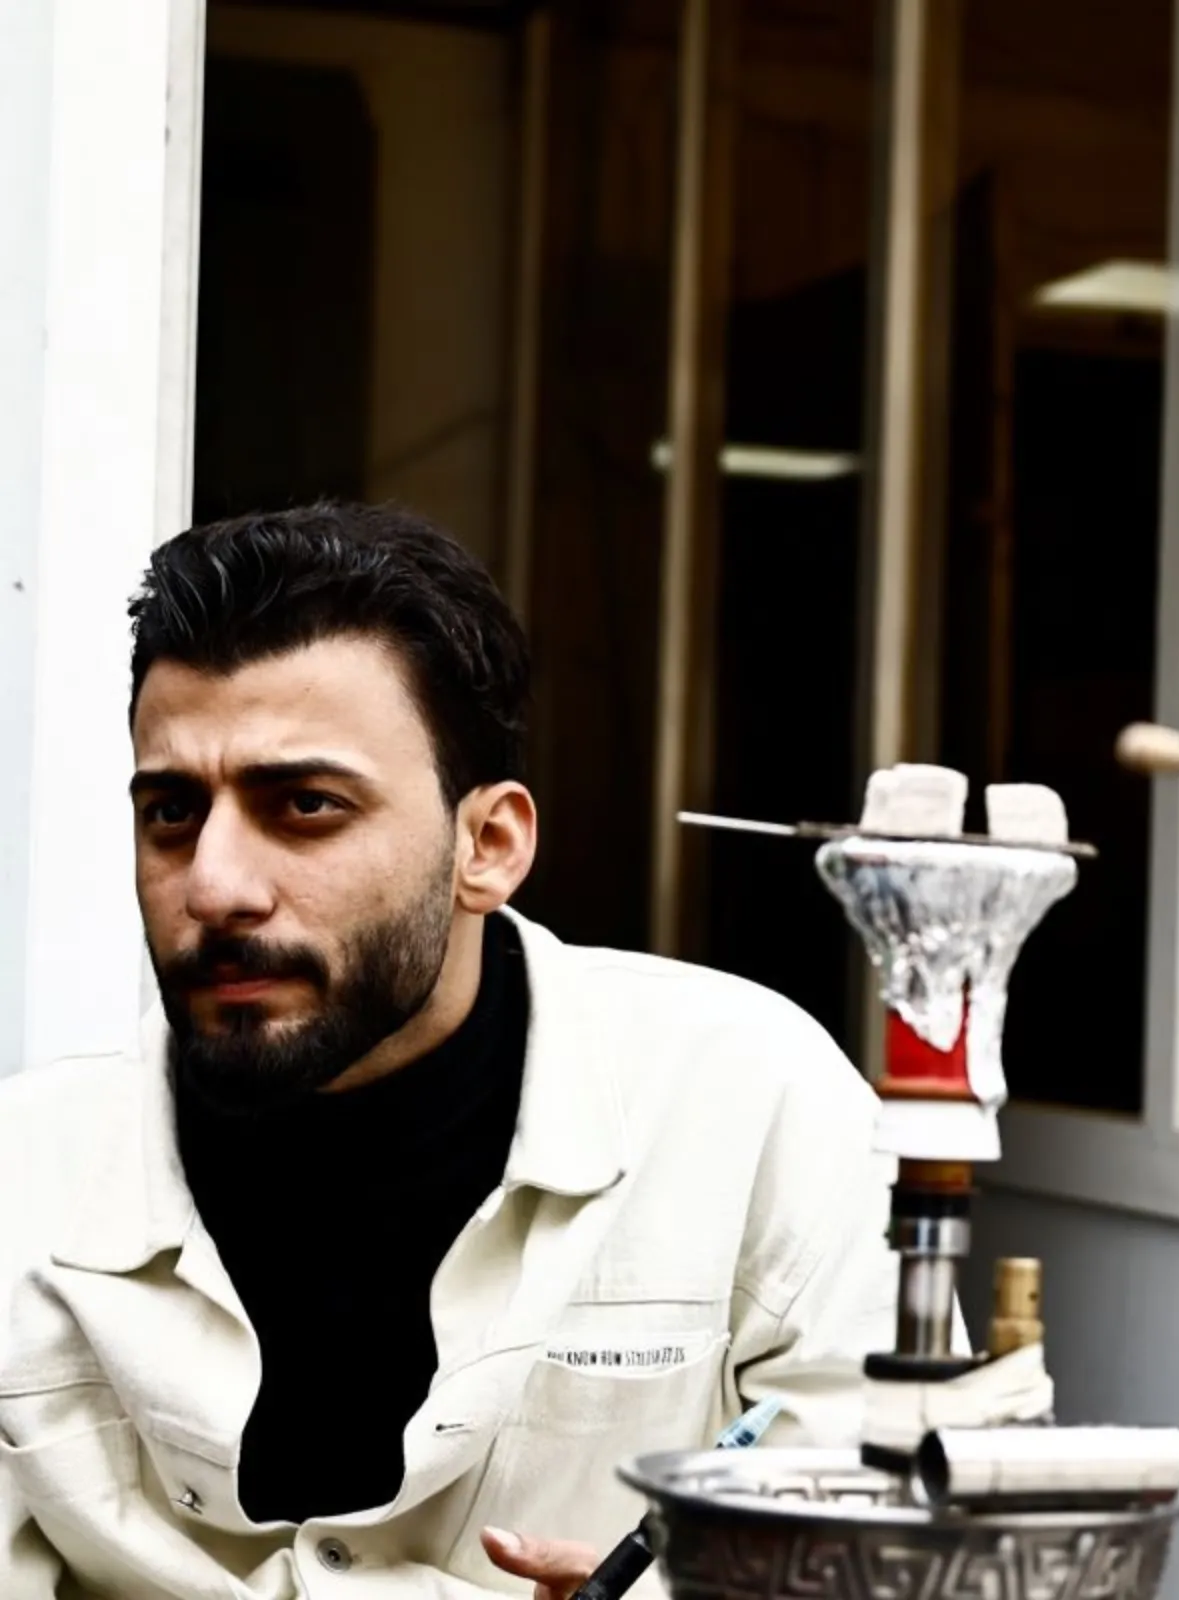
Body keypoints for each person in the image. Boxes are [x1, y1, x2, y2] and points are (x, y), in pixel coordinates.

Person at [0, 504, 900, 1598]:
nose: (214, 885)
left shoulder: (752, 1107)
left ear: (489, 845)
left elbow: (906, 1544)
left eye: (305, 804)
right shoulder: (25, 1182)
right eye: (173, 811)